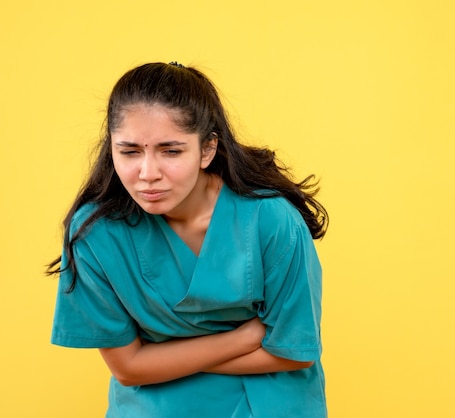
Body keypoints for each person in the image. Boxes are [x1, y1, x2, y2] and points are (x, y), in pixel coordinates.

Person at [47, 61, 328, 417]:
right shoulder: (94, 232)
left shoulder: (270, 220)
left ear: (207, 150)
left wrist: (161, 359)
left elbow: (294, 353)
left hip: (269, 406)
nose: (148, 174)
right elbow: (127, 368)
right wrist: (244, 336)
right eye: (130, 151)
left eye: (171, 151)